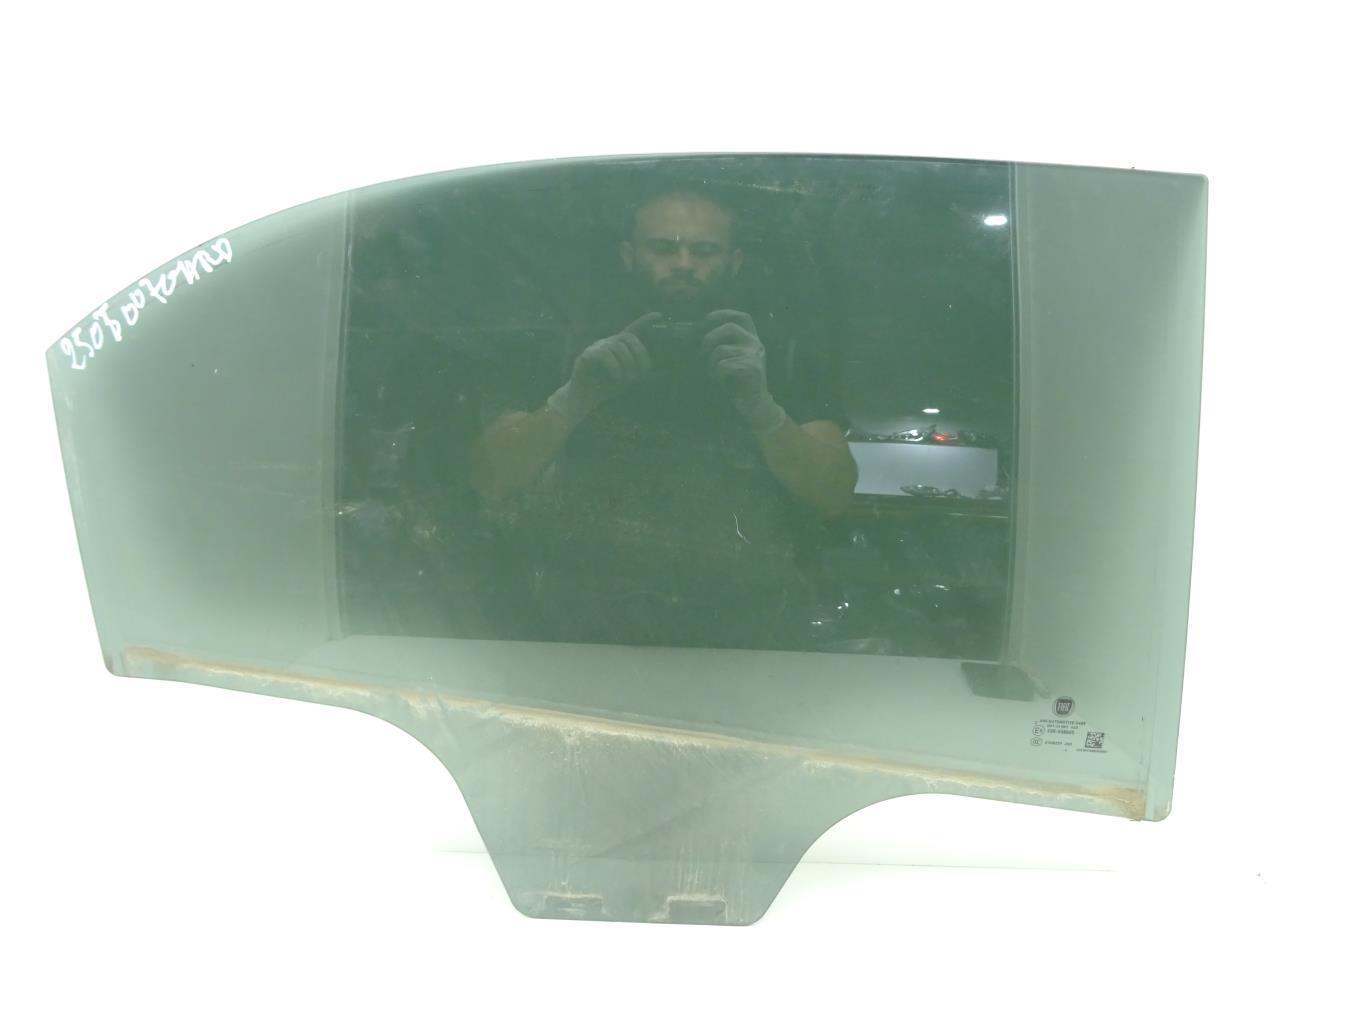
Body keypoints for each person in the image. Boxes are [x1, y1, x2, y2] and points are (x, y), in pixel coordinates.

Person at [468, 185, 858, 650]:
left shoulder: (777, 356)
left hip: (751, 628)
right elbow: (490, 478)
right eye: (663, 248)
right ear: (628, 255)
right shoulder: (567, 348)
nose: (684, 264)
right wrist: (573, 398)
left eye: (704, 250)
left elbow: (834, 495)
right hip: (578, 625)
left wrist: (763, 408)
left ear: (734, 261)